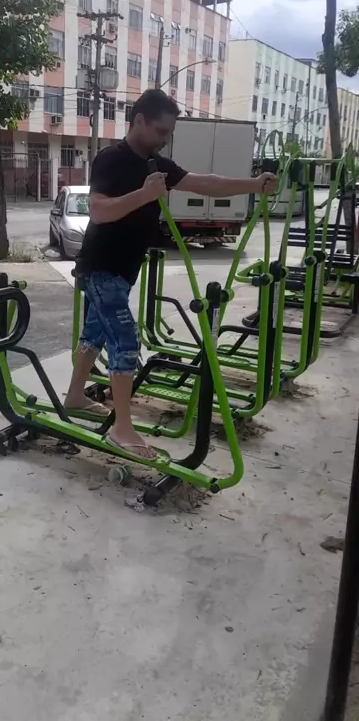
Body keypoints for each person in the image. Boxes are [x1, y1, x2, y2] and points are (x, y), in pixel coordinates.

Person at [64, 89, 278, 457]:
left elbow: (205, 182)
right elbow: (98, 211)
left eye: (169, 133)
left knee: (95, 333)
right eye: (161, 131)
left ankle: (74, 396)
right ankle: (122, 428)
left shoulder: (156, 165)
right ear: (140, 120)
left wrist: (254, 185)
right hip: (101, 267)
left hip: (122, 269)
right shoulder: (111, 159)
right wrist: (144, 195)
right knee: (126, 341)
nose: (165, 139)